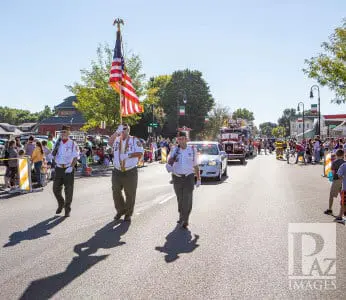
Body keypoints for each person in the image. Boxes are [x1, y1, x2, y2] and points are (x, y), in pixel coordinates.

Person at [165, 131, 201, 229]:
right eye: (179, 139)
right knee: (180, 199)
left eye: (182, 138)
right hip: (177, 177)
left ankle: (185, 219)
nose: (180, 141)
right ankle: (182, 216)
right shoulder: (174, 150)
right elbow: (169, 161)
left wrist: (198, 178)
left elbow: (196, 165)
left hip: (189, 177)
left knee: (187, 199)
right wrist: (168, 166)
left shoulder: (192, 149)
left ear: (186, 139)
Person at [109, 124, 143, 222]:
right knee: (116, 191)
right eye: (121, 129)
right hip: (117, 170)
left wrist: (128, 155)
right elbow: (109, 143)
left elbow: (140, 152)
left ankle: (128, 214)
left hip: (130, 171)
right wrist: (116, 132)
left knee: (130, 194)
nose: (123, 131)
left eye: (125, 129)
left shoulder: (134, 140)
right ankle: (120, 210)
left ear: (128, 130)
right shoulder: (116, 139)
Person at [52, 125, 80, 217]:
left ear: (69, 133)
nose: (63, 133)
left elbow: (75, 157)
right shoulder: (57, 143)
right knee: (55, 188)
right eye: (62, 132)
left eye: (64, 132)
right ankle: (61, 203)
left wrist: (71, 167)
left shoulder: (72, 144)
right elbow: (53, 154)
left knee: (68, 190)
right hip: (59, 168)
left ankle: (67, 209)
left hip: (68, 168)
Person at [324, 149, 344, 215]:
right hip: (343, 181)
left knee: (331, 195)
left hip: (337, 180)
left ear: (336, 155)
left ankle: (330, 209)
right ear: (343, 155)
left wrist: (330, 178)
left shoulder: (334, 162)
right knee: (343, 196)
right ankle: (343, 210)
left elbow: (332, 173)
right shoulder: (344, 162)